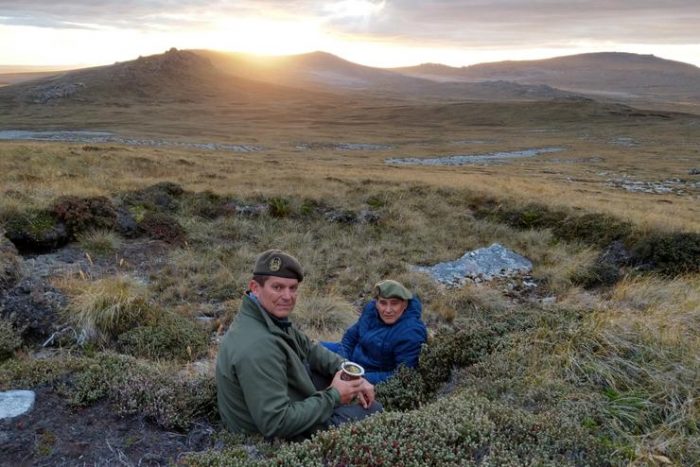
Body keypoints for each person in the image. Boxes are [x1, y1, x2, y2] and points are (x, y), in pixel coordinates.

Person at [216, 249, 381, 440]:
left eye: (292, 288)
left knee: (325, 374)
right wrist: (333, 396)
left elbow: (310, 349)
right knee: (374, 412)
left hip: (271, 411)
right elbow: (276, 423)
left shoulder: (265, 317)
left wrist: (353, 376)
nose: (287, 296)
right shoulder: (259, 346)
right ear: (255, 287)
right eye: (277, 287)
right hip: (268, 440)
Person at [323, 280, 428, 384]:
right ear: (376, 302)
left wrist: (359, 378)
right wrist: (343, 363)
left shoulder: (411, 332)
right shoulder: (371, 310)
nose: (387, 310)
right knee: (314, 350)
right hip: (351, 359)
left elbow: (403, 375)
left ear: (405, 304)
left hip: (371, 376)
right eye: (383, 303)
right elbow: (350, 338)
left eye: (394, 303)